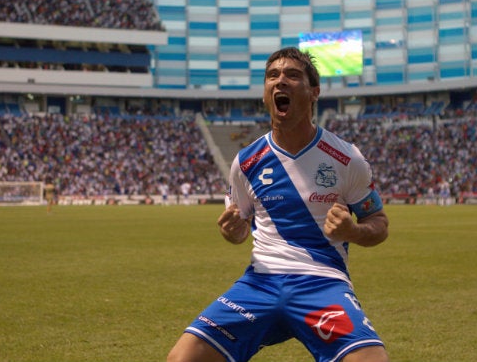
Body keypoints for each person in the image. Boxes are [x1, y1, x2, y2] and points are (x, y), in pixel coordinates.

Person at [166, 47, 390, 362]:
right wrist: (233, 231)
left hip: (322, 284)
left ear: (314, 92)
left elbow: (379, 224)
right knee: (183, 358)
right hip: (260, 284)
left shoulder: (346, 157)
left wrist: (352, 230)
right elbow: (239, 231)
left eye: (292, 75)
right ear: (264, 94)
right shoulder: (245, 162)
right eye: (273, 76)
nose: (280, 81)